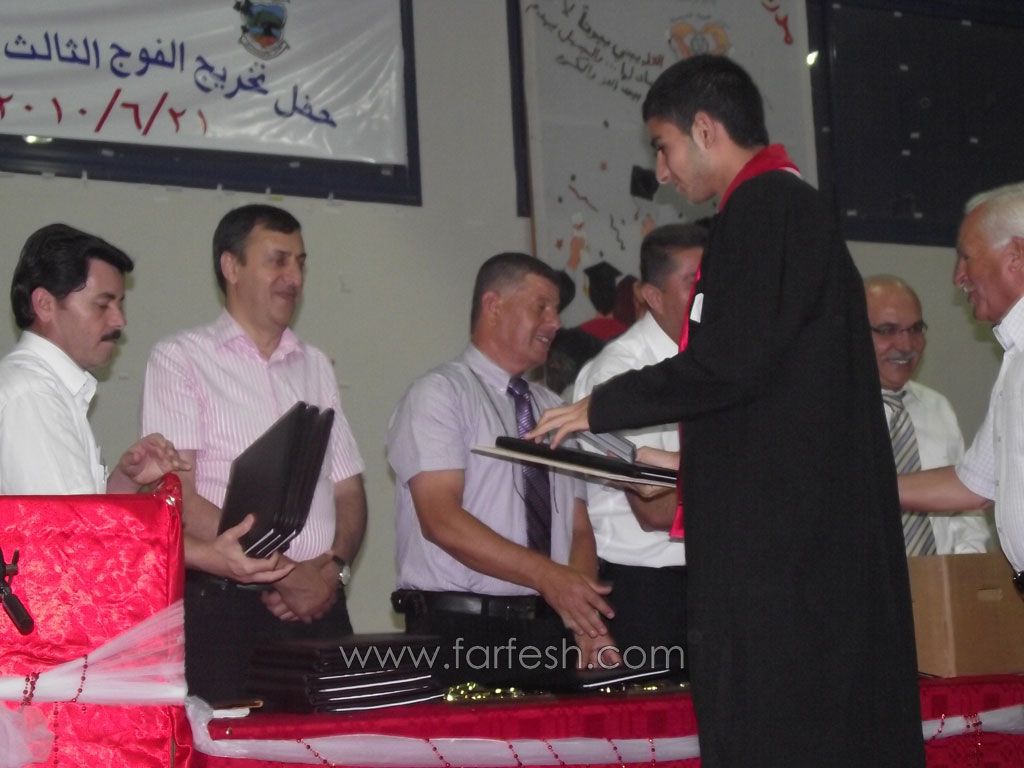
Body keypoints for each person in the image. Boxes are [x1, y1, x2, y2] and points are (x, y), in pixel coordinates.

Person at [530, 55, 924, 767]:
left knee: (779, 731)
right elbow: (768, 401)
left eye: (664, 146)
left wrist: (600, 405)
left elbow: (728, 364)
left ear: (706, 129)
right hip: (805, 545)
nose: (662, 171)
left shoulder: (764, 210)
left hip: (785, 564)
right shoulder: (789, 209)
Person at [141, 204, 367, 702]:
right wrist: (287, 573)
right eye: (278, 260)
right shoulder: (181, 359)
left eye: (300, 263)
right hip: (227, 613)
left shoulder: (315, 365)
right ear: (231, 266)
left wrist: (331, 569)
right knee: (232, 741)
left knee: (341, 741)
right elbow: (179, 496)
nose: (294, 278)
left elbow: (349, 490)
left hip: (321, 603)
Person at [386, 251, 616, 687]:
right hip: (461, 629)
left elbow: (579, 528)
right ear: (493, 306)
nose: (555, 323)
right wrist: (548, 576)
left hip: (549, 628)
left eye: (556, 310)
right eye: (541, 307)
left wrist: (586, 620)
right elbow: (440, 519)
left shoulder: (554, 409)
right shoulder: (441, 394)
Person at [572, 222, 707, 659]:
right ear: (653, 296)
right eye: (694, 282)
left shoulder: (713, 366)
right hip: (646, 588)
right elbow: (654, 508)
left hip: (712, 580)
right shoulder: (618, 376)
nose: (711, 294)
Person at [0, 223, 187, 495]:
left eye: (119, 304)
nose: (120, 320)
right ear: (44, 304)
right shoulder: (32, 395)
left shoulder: (46, 390)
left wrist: (125, 481)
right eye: (102, 305)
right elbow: (65, 522)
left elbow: (77, 515)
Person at [900, 182, 1024, 584]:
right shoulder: (1015, 361)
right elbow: (974, 485)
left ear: (1016, 255)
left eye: (966, 257)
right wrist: (856, 485)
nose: (958, 277)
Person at [865, 274, 990, 555]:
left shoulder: (937, 407)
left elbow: (965, 510)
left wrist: (965, 568)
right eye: (887, 330)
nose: (906, 345)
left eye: (915, 329)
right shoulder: (825, 414)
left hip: (938, 577)